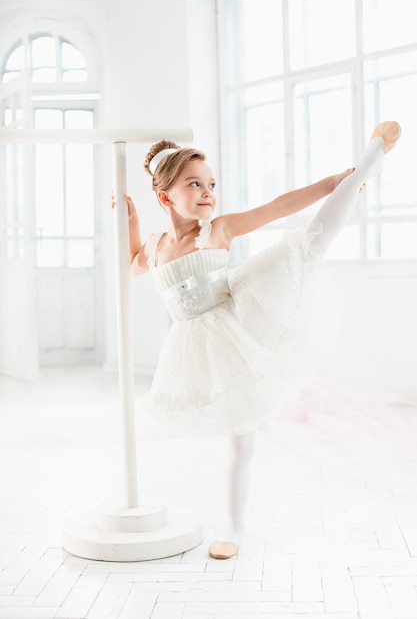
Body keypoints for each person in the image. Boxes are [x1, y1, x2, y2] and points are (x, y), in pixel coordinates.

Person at [120, 121, 401, 559]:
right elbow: (132, 264)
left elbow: (276, 207)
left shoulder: (218, 230)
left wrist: (333, 182)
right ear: (165, 197)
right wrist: (133, 223)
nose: (208, 192)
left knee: (307, 245)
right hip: (194, 346)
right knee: (233, 431)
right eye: (194, 184)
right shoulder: (156, 246)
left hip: (236, 323)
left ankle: (363, 167)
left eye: (212, 183)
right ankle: (233, 521)